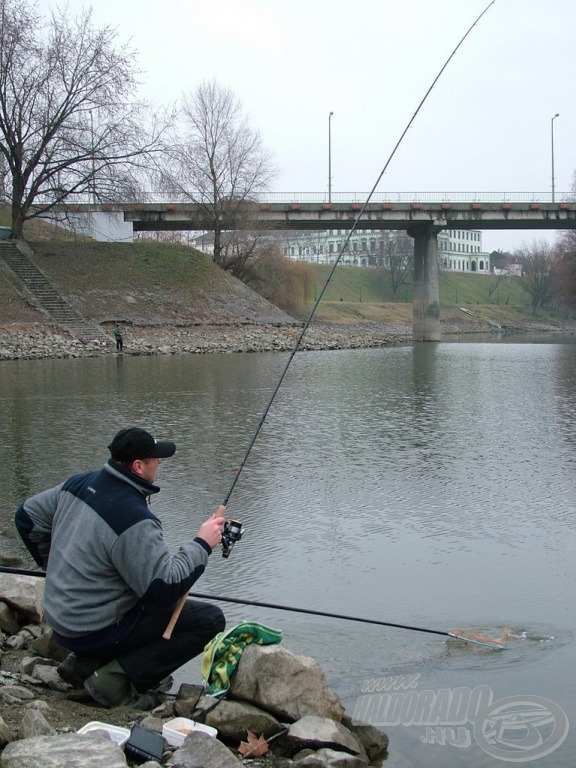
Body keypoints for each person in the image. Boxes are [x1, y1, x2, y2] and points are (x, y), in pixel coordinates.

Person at [14, 427, 226, 709]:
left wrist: (56, 567)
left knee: (141, 591)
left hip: (59, 620)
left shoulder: (79, 483)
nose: (160, 463)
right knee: (209, 620)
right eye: (155, 459)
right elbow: (164, 588)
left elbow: (26, 518)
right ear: (138, 466)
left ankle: (82, 663)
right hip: (95, 630)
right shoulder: (134, 517)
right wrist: (202, 544)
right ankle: (114, 680)